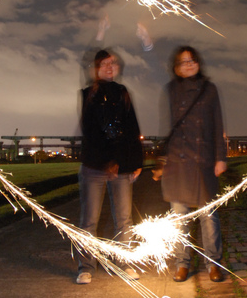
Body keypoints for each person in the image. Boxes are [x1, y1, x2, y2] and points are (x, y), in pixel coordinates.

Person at [158, 46, 227, 283]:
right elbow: (167, 126)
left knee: (209, 216)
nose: (189, 65)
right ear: (175, 67)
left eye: (192, 60)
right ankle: (182, 263)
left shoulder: (210, 89)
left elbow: (218, 124)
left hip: (203, 160)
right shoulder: (170, 90)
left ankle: (213, 263)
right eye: (183, 61)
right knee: (180, 217)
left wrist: (221, 157)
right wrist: (163, 160)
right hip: (178, 161)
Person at [76, 49, 143, 284]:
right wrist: (107, 162)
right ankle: (86, 267)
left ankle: (123, 263)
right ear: (95, 69)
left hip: (123, 166)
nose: (109, 67)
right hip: (95, 166)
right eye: (103, 64)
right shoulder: (88, 94)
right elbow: (91, 132)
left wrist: (135, 163)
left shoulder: (123, 93)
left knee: (124, 219)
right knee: (89, 220)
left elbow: (132, 128)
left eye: (112, 64)